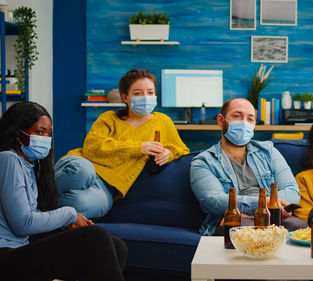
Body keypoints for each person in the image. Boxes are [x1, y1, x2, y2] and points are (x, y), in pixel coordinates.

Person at [0, 101, 127, 281]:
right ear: (18, 133)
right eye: (39, 132)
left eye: (48, 133)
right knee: (95, 237)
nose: (45, 138)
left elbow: (30, 216)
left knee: (116, 246)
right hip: (5, 258)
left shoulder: (30, 165)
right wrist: (70, 215)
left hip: (21, 249)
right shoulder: (8, 160)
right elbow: (22, 224)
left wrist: (63, 224)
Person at [55, 69, 190, 219]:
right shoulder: (109, 118)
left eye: (150, 92)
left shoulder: (163, 122)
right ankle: (36, 199)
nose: (146, 97)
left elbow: (181, 148)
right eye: (138, 93)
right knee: (80, 170)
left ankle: (36, 206)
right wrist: (139, 147)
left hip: (108, 188)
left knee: (79, 205)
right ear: (125, 97)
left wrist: (169, 153)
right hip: (88, 166)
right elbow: (91, 148)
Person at [190, 97, 300, 235]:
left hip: (273, 218)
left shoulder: (269, 151)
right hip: (232, 222)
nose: (244, 123)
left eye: (250, 119)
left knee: (303, 227)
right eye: (237, 116)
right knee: (242, 228)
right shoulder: (203, 162)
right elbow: (214, 200)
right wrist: (261, 206)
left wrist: (262, 211)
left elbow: (292, 191)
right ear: (220, 120)